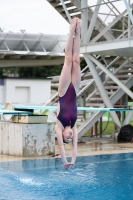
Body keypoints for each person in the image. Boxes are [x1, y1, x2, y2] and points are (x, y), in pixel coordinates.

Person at [55, 17, 82, 169]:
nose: (70, 135)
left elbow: (62, 147)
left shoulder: (59, 126)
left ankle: (70, 31)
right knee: (77, 60)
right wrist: (74, 161)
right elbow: (74, 147)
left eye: (67, 137)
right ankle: (78, 32)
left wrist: (66, 162)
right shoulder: (74, 126)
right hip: (75, 89)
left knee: (68, 60)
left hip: (64, 91)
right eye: (70, 137)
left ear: (63, 135)